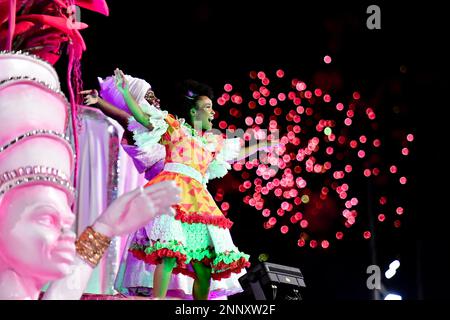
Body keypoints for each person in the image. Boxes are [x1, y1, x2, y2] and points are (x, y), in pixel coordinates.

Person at [82, 68, 278, 300]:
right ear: (194, 111)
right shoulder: (175, 129)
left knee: (204, 266)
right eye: (207, 107)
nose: (213, 112)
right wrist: (125, 94)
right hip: (173, 192)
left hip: (199, 201)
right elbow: (141, 118)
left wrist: (261, 145)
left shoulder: (212, 143)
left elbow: (237, 153)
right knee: (169, 254)